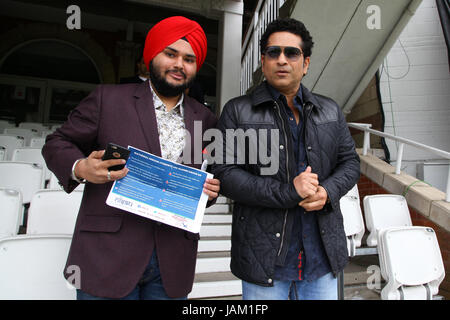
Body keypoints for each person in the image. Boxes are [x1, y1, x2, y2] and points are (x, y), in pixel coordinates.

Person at [42, 16, 220, 300]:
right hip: (107, 255)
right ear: (151, 56)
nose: (179, 65)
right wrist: (81, 167)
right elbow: (57, 142)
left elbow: (202, 177)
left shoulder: (206, 118)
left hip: (172, 260)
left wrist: (209, 193)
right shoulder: (108, 99)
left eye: (189, 59)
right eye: (170, 54)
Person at [211, 18, 360, 300]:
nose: (282, 60)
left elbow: (350, 163)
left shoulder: (330, 110)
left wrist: (328, 192)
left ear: (305, 63)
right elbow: (224, 173)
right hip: (263, 259)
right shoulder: (237, 111)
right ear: (263, 61)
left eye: (291, 53)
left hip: (322, 256)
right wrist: (288, 191)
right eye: (273, 52)